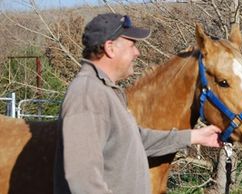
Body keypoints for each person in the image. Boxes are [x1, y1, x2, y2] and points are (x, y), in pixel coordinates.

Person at [53, 13, 222, 194]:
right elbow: (82, 178)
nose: (137, 52)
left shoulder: (105, 92)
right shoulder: (87, 94)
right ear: (110, 48)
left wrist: (193, 137)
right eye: (132, 45)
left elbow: (135, 140)